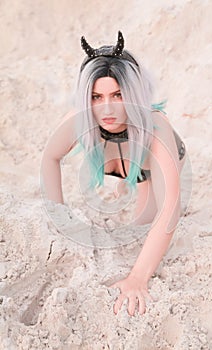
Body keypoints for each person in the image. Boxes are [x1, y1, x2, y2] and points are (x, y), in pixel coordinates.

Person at [41, 31, 186, 316]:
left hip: (149, 167)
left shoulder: (157, 129)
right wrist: (58, 215)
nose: (106, 107)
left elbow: (170, 209)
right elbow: (50, 156)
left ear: (132, 94)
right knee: (125, 186)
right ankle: (123, 183)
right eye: (96, 97)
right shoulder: (79, 121)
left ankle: (129, 183)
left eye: (117, 95)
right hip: (115, 161)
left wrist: (137, 278)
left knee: (144, 223)